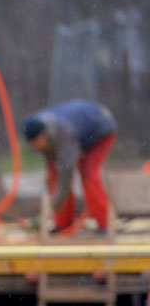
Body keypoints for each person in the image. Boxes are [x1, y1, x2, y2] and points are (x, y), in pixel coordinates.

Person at [22, 99, 117, 232]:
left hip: (101, 129)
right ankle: (63, 223)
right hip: (79, 132)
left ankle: (105, 224)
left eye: (37, 143)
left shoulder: (63, 133)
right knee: (55, 176)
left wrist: (52, 207)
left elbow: (66, 174)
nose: (36, 147)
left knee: (88, 173)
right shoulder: (40, 126)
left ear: (43, 135)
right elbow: (53, 171)